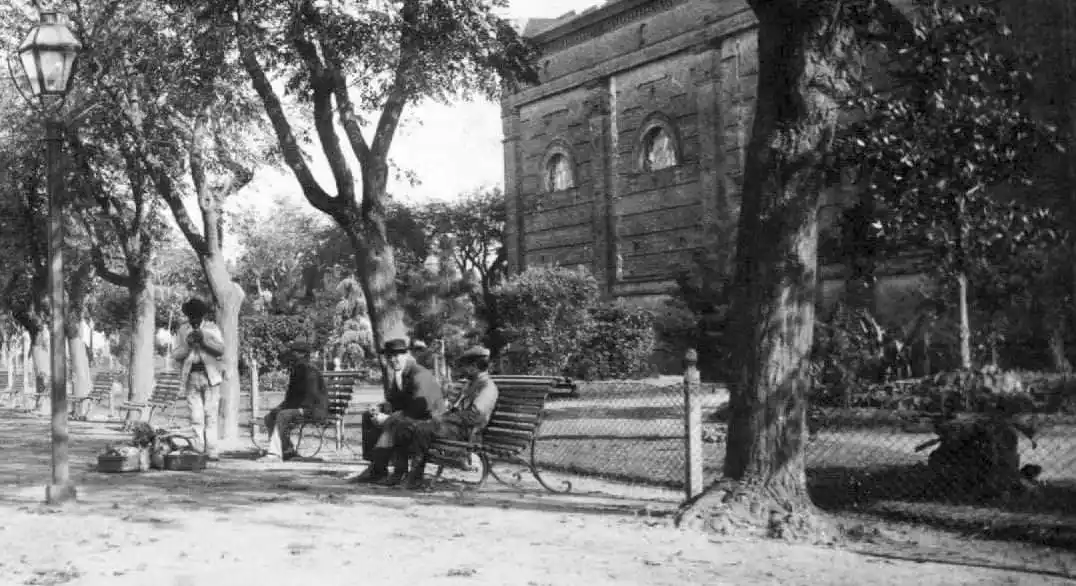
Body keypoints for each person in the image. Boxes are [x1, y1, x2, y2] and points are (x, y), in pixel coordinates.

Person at [395, 346, 499, 490]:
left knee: (423, 430)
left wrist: (443, 420)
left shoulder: (487, 387)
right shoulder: (472, 384)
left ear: (475, 367)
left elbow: (475, 417)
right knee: (406, 426)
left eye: (466, 367)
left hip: (465, 432)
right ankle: (401, 474)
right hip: (453, 426)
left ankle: (415, 478)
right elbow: (457, 408)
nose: (464, 370)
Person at [351, 338, 444, 485]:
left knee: (395, 423)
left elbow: (420, 407)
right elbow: (395, 401)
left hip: (429, 420)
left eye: (397, 355)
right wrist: (380, 408)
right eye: (389, 356)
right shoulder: (400, 374)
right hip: (413, 416)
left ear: (406, 355)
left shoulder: (419, 374)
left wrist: (389, 418)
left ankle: (386, 470)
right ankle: (376, 468)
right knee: (369, 417)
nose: (392, 360)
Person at [172, 298, 226, 461]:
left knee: (210, 414)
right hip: (191, 376)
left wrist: (203, 342)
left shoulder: (211, 328)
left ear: (202, 316)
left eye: (196, 316)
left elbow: (220, 350)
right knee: (196, 416)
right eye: (190, 316)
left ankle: (212, 450)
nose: (193, 319)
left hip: (210, 376)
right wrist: (188, 345)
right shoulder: (183, 330)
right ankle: (197, 448)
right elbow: (176, 354)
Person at [258, 340, 328, 462]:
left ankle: (274, 454)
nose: (290, 355)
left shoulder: (309, 371)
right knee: (270, 417)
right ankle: (287, 451)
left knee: (283, 415)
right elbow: (291, 397)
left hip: (313, 410)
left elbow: (312, 395)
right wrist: (281, 407)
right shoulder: (297, 369)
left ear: (302, 354)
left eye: (293, 352)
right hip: (303, 408)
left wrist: (301, 409)